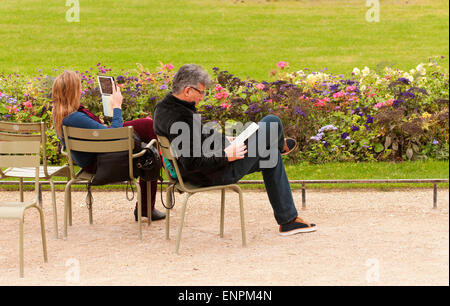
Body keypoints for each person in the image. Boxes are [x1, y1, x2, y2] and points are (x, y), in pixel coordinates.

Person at [153, 64, 316, 236]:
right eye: (201, 92)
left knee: (271, 156)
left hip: (204, 168)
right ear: (187, 91)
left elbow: (197, 137)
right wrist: (226, 156)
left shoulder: (164, 108)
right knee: (272, 122)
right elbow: (191, 162)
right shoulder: (181, 119)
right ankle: (279, 144)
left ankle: (288, 221)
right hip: (213, 172)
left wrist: (223, 140)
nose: (203, 97)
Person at [51, 70, 165, 221]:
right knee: (149, 156)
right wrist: (117, 106)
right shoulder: (75, 118)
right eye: (79, 88)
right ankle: (153, 198)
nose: (82, 91)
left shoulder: (63, 115)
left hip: (97, 154)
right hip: (102, 162)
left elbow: (105, 133)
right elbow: (113, 136)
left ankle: (148, 204)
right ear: (73, 92)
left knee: (147, 125)